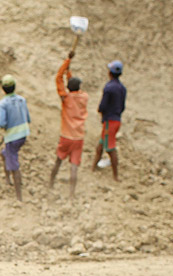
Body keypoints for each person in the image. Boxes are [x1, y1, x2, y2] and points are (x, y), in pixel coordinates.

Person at [48, 52, 89, 198]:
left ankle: (50, 185)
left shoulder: (66, 98)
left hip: (66, 136)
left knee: (58, 161)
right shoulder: (84, 97)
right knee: (74, 166)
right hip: (78, 137)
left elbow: (58, 78)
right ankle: (71, 194)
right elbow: (71, 83)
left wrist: (67, 62)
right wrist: (69, 69)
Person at [0, 74, 31, 202]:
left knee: (14, 165)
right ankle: (7, 180)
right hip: (23, 135)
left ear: (3, 89)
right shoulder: (22, 100)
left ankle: (19, 197)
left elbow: (1, 123)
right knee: (4, 153)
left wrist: (6, 127)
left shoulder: (3, 103)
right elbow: (27, 118)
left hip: (12, 137)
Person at [91, 60, 127, 181]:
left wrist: (102, 113)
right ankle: (93, 167)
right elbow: (122, 107)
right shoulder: (122, 88)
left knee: (110, 148)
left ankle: (115, 176)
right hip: (116, 120)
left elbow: (102, 106)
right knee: (101, 144)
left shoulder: (109, 87)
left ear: (110, 72)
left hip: (109, 121)